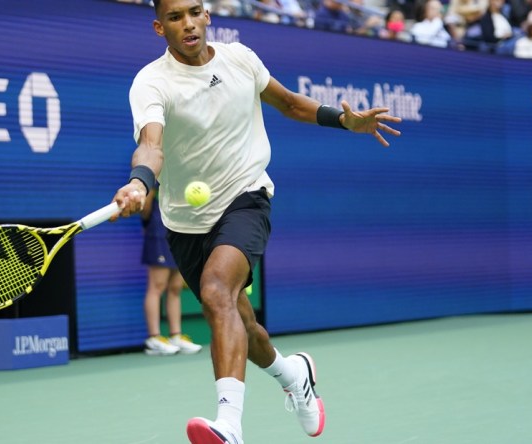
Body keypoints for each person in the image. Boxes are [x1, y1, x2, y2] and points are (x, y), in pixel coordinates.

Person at [108, 0, 402, 442]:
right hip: (185, 221)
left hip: (246, 196)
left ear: (207, 15)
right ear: (159, 27)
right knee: (241, 325)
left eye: (194, 12)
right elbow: (151, 145)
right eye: (174, 17)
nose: (187, 23)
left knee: (214, 291)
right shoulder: (151, 82)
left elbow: (289, 103)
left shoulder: (240, 59)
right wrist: (139, 182)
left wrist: (344, 120)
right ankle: (294, 374)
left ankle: (228, 426)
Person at [140, 186, 204, 356]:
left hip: (179, 232)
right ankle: (153, 338)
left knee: (175, 287)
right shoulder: (157, 170)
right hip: (158, 232)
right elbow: (145, 206)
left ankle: (175, 335)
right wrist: (151, 225)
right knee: (157, 285)